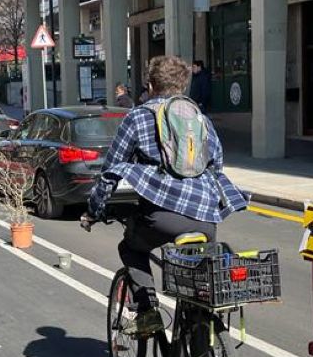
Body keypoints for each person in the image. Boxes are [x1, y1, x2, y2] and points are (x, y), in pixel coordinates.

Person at [84, 56, 247, 335]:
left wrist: (94, 210)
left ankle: (148, 313)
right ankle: (201, 353)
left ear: (150, 84)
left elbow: (111, 169)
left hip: (162, 217)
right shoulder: (200, 118)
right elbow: (216, 164)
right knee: (197, 282)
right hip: (205, 219)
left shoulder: (138, 116)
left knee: (132, 248)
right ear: (184, 85)